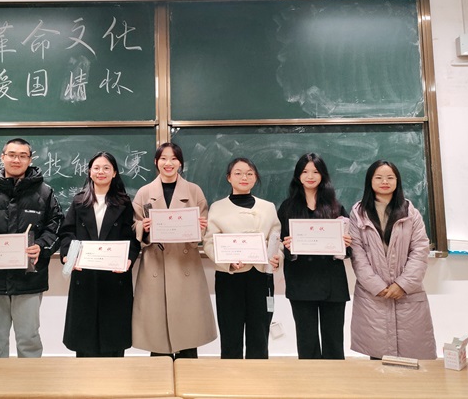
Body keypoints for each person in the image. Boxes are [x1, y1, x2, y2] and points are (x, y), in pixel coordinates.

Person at [0, 138, 63, 358]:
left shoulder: (45, 193)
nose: (17, 160)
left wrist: (41, 246)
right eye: (12, 155)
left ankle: (28, 381)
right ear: (2, 157)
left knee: (29, 339)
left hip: (29, 278)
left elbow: (56, 226)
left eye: (23, 156)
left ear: (30, 159)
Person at [132, 142, 217, 359]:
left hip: (185, 266)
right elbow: (133, 225)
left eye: (174, 158)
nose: (168, 163)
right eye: (163, 158)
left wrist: (199, 227)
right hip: (155, 268)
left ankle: (188, 376)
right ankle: (159, 378)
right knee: (157, 336)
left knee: (188, 335)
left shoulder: (194, 191)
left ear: (180, 163)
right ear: (155, 162)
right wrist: (144, 228)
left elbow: (204, 226)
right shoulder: (144, 193)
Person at [349, 160, 437, 360]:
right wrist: (377, 286)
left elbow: (420, 250)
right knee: (378, 358)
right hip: (374, 296)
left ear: (397, 181)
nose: (385, 182)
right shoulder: (359, 213)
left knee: (411, 358)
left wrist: (402, 284)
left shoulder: (410, 212)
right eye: (379, 177)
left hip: (407, 294)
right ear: (370, 181)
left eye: (390, 177)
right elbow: (357, 253)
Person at [58, 152, 141, 357]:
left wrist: (128, 259)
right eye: (96, 168)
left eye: (106, 168)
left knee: (113, 343)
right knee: (85, 345)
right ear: (89, 172)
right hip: (85, 277)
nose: (100, 172)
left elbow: (132, 237)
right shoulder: (79, 202)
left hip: (114, 278)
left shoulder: (124, 203)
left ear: (114, 173)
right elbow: (67, 233)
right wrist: (68, 256)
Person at [203, 157, 281, 359]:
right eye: (238, 173)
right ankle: (231, 376)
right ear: (229, 178)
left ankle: (258, 376)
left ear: (255, 177)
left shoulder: (268, 207)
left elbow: (276, 240)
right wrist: (227, 262)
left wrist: (276, 257)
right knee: (230, 334)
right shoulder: (217, 207)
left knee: (259, 334)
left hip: (261, 277)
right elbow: (209, 242)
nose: (244, 177)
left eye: (249, 173)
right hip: (230, 277)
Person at [277, 153, 351, 360]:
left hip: (332, 283)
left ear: (323, 175)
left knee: (334, 341)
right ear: (297, 176)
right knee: (307, 342)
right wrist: (287, 247)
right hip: (301, 282)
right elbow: (279, 245)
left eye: (315, 172)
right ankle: (310, 380)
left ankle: (334, 380)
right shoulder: (287, 207)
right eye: (305, 171)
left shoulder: (336, 207)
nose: (310, 176)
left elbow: (348, 251)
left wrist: (345, 245)